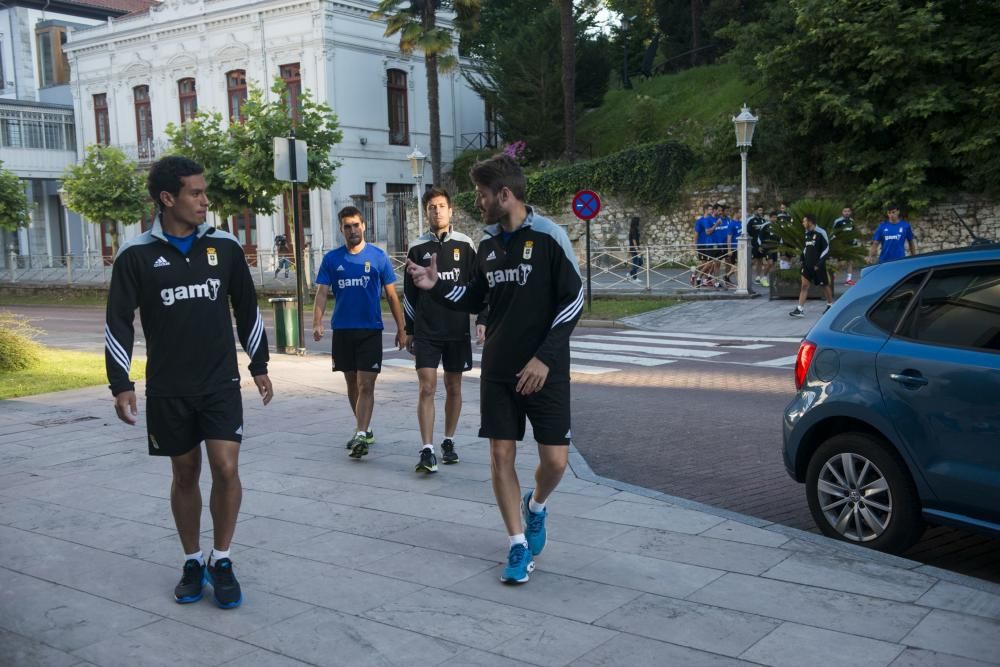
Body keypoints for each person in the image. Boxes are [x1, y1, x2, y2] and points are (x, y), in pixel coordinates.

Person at [406, 154, 583, 585]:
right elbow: (476, 298)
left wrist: (544, 358)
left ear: (505, 195)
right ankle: (517, 544)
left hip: (546, 369)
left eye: (484, 196)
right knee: (500, 455)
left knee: (556, 463)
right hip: (500, 371)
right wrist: (437, 287)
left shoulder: (549, 236)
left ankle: (536, 506)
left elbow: (574, 301)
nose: (478, 203)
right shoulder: (486, 244)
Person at [105, 156, 273, 609]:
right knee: (185, 473)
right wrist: (119, 382)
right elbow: (118, 321)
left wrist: (259, 363)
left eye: (204, 191)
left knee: (226, 467)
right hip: (168, 388)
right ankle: (192, 560)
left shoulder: (226, 247)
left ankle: (222, 558)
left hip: (219, 383)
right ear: (167, 199)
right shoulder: (135, 254)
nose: (205, 201)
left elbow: (247, 307)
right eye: (195, 193)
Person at [312, 206, 407, 458]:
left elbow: (391, 295)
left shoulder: (378, 257)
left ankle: (361, 433)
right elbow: (322, 293)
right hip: (343, 330)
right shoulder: (332, 259)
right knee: (351, 382)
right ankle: (363, 428)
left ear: (363, 226)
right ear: (341, 229)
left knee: (366, 384)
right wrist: (317, 321)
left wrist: (402, 328)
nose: (352, 230)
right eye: (347, 226)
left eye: (356, 225)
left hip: (370, 330)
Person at [403, 187, 486, 473]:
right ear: (426, 213)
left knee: (454, 387)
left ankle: (448, 441)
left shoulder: (465, 245)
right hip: (427, 331)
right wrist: (409, 329)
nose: (436, 211)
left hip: (456, 329)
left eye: (441, 206)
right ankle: (427, 449)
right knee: (427, 387)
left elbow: (481, 286)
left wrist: (482, 319)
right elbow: (409, 294)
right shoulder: (416, 248)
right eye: (431, 207)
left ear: (450, 211)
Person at [789, 213, 833, 317]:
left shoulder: (821, 232)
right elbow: (806, 247)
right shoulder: (807, 233)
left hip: (818, 265)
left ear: (810, 222)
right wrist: (802, 257)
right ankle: (800, 309)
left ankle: (830, 305)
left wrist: (819, 263)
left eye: (804, 221)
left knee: (824, 285)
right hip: (807, 265)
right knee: (804, 285)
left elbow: (826, 249)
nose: (803, 223)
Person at [831, 206, 858, 285]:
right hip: (841, 245)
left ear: (850, 212)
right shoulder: (838, 221)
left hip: (850, 245)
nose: (846, 213)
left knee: (850, 262)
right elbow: (833, 233)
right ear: (842, 212)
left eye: (848, 211)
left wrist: (855, 241)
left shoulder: (852, 221)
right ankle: (833, 275)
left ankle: (848, 279)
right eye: (845, 211)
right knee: (841, 263)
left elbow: (854, 232)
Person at [691, 204, 716, 288]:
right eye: (710, 209)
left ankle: (701, 278)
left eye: (712, 209)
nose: (711, 211)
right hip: (702, 244)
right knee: (706, 263)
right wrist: (695, 243)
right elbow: (696, 233)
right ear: (705, 210)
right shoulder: (700, 221)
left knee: (708, 263)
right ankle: (696, 276)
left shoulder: (711, 220)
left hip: (709, 244)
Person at [755, 210, 780, 288]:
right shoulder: (765, 225)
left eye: (776, 217)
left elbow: (780, 237)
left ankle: (772, 281)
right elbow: (759, 237)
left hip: (775, 248)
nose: (774, 219)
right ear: (770, 218)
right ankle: (763, 277)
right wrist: (759, 246)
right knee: (770, 263)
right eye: (773, 217)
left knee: (773, 265)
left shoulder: (777, 226)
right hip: (767, 248)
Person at [746, 205, 767, 284]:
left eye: (761, 210)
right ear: (755, 211)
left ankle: (758, 277)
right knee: (752, 261)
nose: (760, 212)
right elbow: (746, 232)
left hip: (761, 244)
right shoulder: (750, 220)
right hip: (753, 244)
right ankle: (746, 276)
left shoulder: (763, 220)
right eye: (759, 210)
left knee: (760, 260)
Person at [627, 216, 642, 283]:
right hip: (634, 248)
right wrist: (637, 250)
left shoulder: (634, 229)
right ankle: (634, 278)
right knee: (636, 263)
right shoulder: (634, 229)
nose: (639, 222)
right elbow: (634, 240)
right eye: (638, 221)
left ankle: (630, 273)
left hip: (635, 248)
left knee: (640, 262)